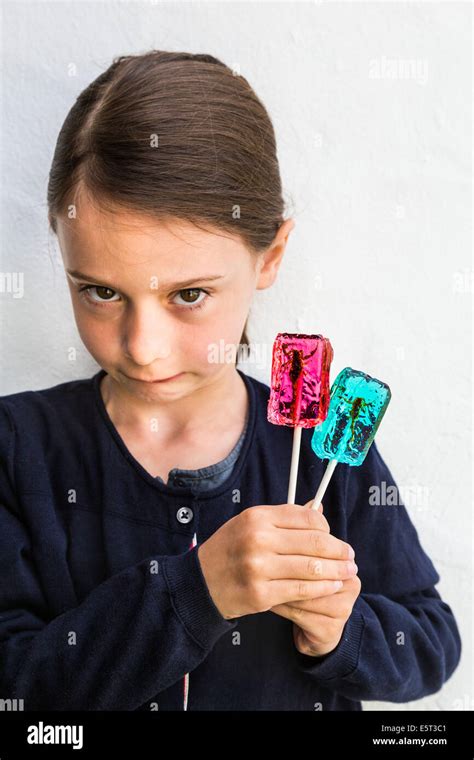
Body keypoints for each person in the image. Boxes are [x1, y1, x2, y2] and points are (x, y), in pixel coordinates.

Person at [0, 50, 460, 711]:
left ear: (269, 257)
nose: (143, 348)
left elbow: (432, 644)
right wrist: (195, 593)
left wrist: (343, 629)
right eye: (100, 290)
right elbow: (17, 687)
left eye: (189, 294)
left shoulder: (328, 447)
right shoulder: (18, 450)